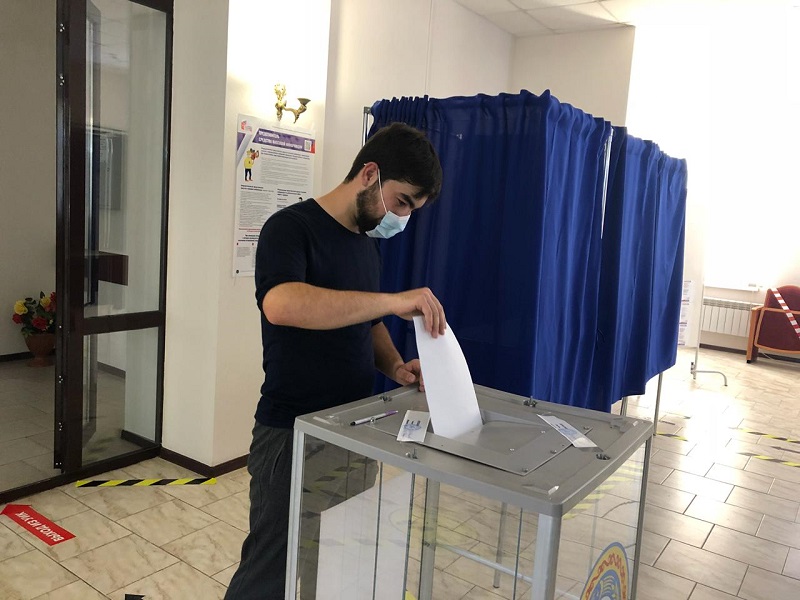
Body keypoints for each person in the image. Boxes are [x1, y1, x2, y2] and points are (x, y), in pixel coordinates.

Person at [225, 122, 445, 600]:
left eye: (411, 209)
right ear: (369, 174)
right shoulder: (290, 228)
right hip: (292, 432)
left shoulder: (367, 246)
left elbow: (367, 322)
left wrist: (395, 367)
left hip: (351, 430)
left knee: (332, 565)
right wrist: (392, 300)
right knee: (271, 568)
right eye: (401, 202)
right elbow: (282, 304)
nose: (402, 217)